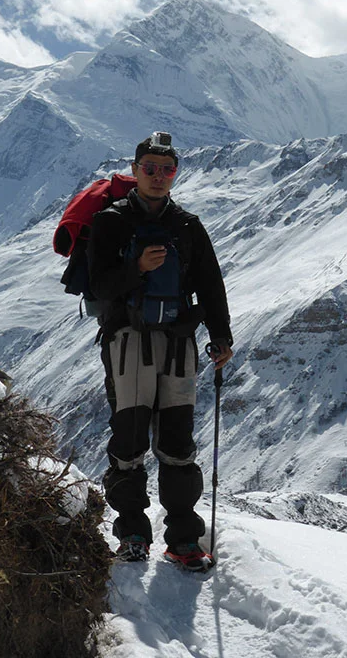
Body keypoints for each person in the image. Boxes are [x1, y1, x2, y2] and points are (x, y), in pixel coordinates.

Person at [87, 133, 233, 570]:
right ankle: (133, 533)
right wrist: (136, 269)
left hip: (176, 343)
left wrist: (221, 336)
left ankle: (183, 538)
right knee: (129, 441)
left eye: (166, 169)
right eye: (149, 168)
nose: (157, 176)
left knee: (178, 443)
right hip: (128, 340)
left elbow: (210, 283)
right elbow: (99, 286)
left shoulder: (188, 226)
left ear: (175, 174)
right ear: (134, 171)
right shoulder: (110, 222)